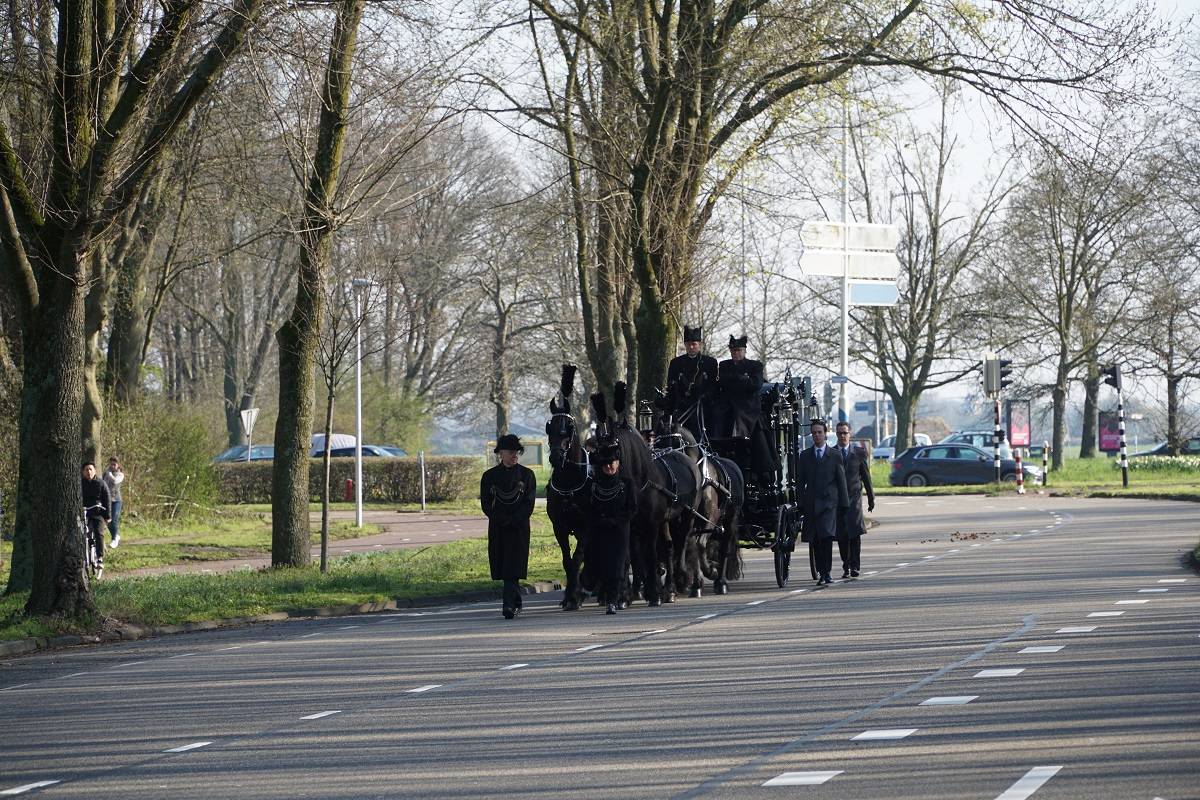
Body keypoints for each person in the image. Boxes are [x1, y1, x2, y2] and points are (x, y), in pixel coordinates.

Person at [480, 434, 536, 620]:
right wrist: (501, 519)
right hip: (498, 527)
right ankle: (515, 602)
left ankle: (508, 605)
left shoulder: (527, 475)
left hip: (519, 527)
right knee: (504, 565)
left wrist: (515, 519)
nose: (514, 455)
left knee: (514, 564)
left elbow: (528, 503)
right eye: (511, 452)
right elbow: (486, 504)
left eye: (516, 452)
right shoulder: (489, 476)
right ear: (501, 453)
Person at [584, 439, 638, 615]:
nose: (608, 467)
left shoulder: (627, 483)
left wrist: (617, 521)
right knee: (601, 564)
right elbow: (588, 508)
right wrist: (598, 520)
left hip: (619, 531)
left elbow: (632, 508)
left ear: (618, 463)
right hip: (600, 530)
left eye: (612, 463)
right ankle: (603, 593)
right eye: (605, 464)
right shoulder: (594, 484)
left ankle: (613, 601)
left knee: (616, 566)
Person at [717, 335, 776, 481]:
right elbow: (723, 383)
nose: (736, 353)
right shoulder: (724, 365)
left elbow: (756, 384)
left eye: (739, 350)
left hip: (749, 409)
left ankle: (763, 468)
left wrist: (736, 381)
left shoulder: (755, 366)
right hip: (728, 408)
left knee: (758, 433)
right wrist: (743, 379)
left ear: (744, 351)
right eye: (733, 351)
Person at [797, 420, 848, 586]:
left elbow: (841, 481)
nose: (817, 435)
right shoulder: (805, 456)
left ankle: (827, 572)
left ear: (825, 434)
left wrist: (844, 504)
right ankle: (821, 571)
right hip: (811, 505)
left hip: (829, 505)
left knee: (826, 538)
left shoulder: (835, 455)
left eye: (819, 432)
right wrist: (800, 503)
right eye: (814, 433)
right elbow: (800, 482)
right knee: (815, 540)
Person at [663, 325, 719, 441]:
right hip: (681, 406)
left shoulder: (710, 363)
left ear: (700, 344)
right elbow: (671, 386)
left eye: (694, 344)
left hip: (702, 407)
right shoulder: (676, 363)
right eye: (688, 344)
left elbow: (714, 386)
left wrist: (705, 397)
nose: (691, 347)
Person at [834, 422, 875, 579]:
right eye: (839, 433)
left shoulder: (859, 453)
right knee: (842, 535)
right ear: (836, 434)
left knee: (855, 533)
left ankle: (855, 566)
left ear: (850, 434)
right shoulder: (832, 453)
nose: (842, 436)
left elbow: (866, 477)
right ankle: (846, 564)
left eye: (845, 433)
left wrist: (871, 498)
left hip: (854, 498)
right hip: (838, 500)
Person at [81, 462, 112, 569]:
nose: (88, 472)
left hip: (98, 513)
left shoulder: (101, 483)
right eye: (86, 470)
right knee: (84, 534)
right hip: (85, 513)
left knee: (99, 533)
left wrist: (107, 516)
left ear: (94, 470)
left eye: (90, 469)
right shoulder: (80, 484)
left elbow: (107, 499)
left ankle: (100, 558)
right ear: (83, 472)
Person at [102, 456, 125, 549]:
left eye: (114, 464)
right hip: (107, 500)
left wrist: (109, 474)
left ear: (118, 465)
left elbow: (115, 481)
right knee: (107, 520)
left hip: (116, 500)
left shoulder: (120, 474)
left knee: (114, 519)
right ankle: (116, 535)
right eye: (111, 464)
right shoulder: (105, 473)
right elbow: (102, 483)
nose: (112, 466)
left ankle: (114, 539)